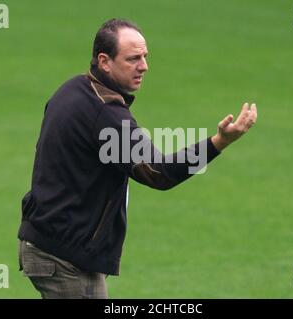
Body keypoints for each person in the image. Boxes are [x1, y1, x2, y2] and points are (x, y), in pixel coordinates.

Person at [17, 18, 257, 299]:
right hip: (64, 257)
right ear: (105, 61)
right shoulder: (105, 114)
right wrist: (219, 142)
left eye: (145, 57)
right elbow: (158, 173)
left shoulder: (71, 90)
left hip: (50, 242)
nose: (144, 66)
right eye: (133, 59)